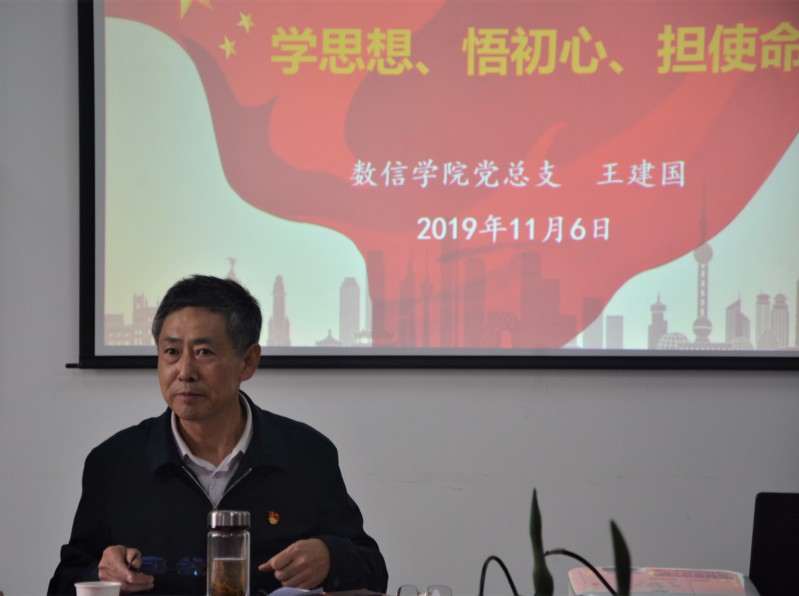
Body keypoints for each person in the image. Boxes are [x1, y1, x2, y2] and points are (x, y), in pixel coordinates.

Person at [48, 275, 388, 595]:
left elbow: (375, 571)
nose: (185, 371)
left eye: (204, 352)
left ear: (248, 362)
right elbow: (63, 582)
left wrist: (330, 558)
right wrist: (100, 576)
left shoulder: (307, 454)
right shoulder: (114, 463)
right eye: (171, 352)